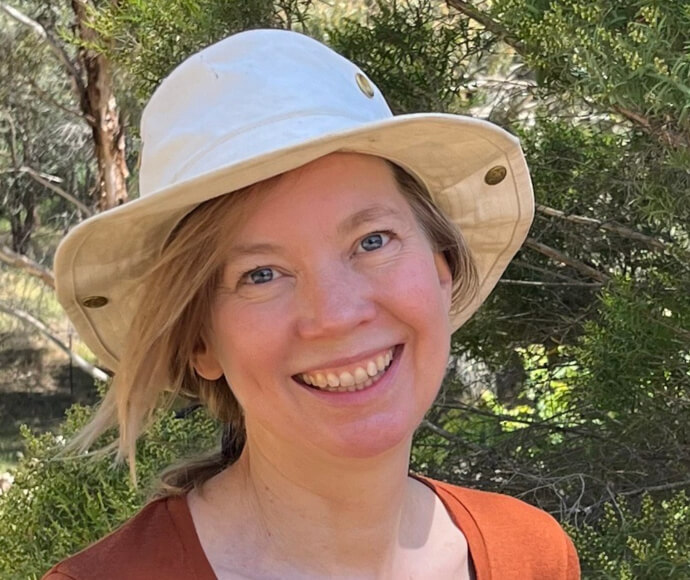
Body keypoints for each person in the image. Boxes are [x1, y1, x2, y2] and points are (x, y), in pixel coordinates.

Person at [43, 29, 579, 580]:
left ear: (441, 267)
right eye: (261, 275)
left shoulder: (530, 556)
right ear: (200, 342)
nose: (337, 315)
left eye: (372, 241)